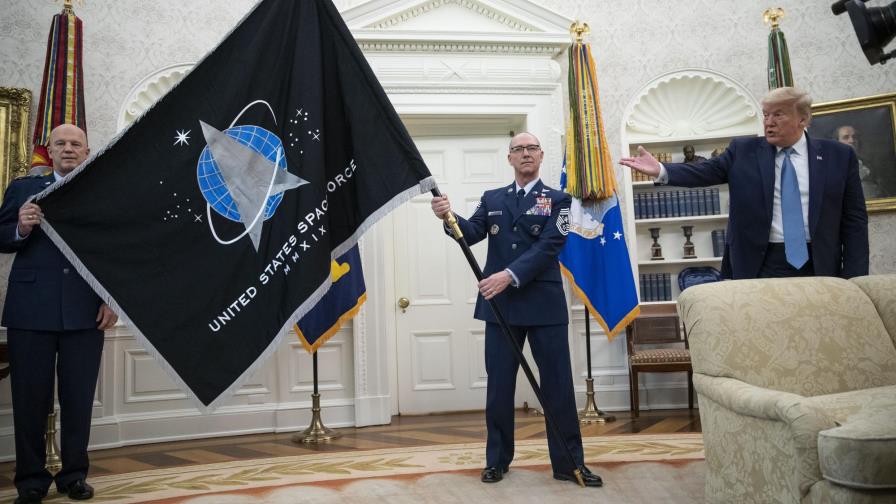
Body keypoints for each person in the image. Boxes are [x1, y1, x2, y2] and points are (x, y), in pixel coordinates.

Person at [430, 132, 602, 487]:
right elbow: (472, 231)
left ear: (540, 156)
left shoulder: (559, 200)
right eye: (518, 150)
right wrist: (448, 216)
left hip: (542, 305)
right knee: (499, 387)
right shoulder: (493, 198)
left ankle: (570, 463)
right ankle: (497, 461)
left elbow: (549, 246)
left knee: (557, 386)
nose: (525, 154)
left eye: (531, 149)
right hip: (501, 308)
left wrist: (508, 276)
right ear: (509, 158)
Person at [620, 87, 868, 279]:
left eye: (778, 114)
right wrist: (662, 169)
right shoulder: (744, 151)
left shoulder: (839, 156)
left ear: (803, 119)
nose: (768, 122)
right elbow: (705, 171)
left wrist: (856, 278)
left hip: (821, 263)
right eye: (765, 114)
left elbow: (854, 220)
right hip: (761, 264)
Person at [0, 124, 117, 504]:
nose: (68, 149)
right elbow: (1, 238)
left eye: (75, 144)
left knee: (78, 399)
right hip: (30, 311)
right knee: (29, 400)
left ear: (86, 151)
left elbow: (115, 250)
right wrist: (20, 225)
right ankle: (31, 481)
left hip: (85, 311)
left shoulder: (101, 189)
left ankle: (74, 476)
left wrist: (109, 299)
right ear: (48, 151)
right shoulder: (21, 189)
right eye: (60, 144)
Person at [835, 124, 882, 199]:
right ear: (837, 142)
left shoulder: (868, 164)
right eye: (846, 137)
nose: (852, 140)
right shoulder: (831, 166)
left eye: (854, 137)